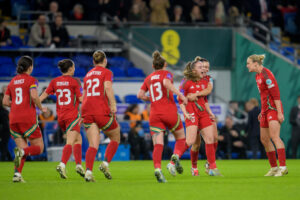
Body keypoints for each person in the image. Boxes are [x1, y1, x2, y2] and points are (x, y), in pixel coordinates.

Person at [137, 50, 188, 183]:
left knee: (158, 144)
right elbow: (166, 83)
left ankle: (157, 169)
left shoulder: (148, 78)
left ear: (153, 66)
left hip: (155, 114)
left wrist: (152, 98)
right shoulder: (167, 74)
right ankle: (175, 156)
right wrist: (180, 95)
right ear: (165, 64)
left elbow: (140, 95)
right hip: (169, 111)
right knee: (181, 138)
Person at [2, 56, 46, 182]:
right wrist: (41, 107)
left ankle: (17, 175)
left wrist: (16, 104)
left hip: (13, 119)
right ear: (30, 67)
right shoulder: (32, 80)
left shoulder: (12, 82)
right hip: (27, 118)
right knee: (38, 148)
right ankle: (20, 152)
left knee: (23, 148)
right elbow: (34, 96)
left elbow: (5, 101)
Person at [39, 59, 84, 179]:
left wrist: (36, 104)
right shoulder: (76, 81)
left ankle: (79, 165)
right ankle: (62, 164)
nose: (74, 69)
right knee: (70, 141)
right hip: (72, 116)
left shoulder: (55, 81)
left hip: (61, 117)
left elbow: (44, 94)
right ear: (70, 69)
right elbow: (80, 99)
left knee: (78, 140)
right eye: (73, 67)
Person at [81, 50, 120, 182]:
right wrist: (113, 104)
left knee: (93, 145)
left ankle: (88, 172)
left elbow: (84, 95)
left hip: (87, 110)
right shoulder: (107, 72)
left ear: (93, 62)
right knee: (115, 137)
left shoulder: (87, 75)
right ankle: (105, 163)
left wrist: (82, 112)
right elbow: (108, 88)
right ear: (105, 61)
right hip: (100, 110)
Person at [178, 59, 221, 176]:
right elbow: (182, 97)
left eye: (207, 67)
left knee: (213, 138)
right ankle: (194, 167)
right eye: (203, 67)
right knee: (195, 143)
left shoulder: (207, 78)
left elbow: (208, 90)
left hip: (204, 110)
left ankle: (210, 164)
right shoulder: (188, 80)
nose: (206, 69)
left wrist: (196, 95)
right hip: (194, 112)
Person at [246, 54, 287, 176]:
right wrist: (262, 111)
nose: (247, 65)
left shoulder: (266, 74)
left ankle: (283, 167)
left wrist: (279, 113)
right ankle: (274, 168)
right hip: (265, 111)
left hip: (273, 109)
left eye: (248, 63)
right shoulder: (257, 75)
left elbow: (276, 95)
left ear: (256, 64)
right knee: (264, 139)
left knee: (275, 137)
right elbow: (264, 96)